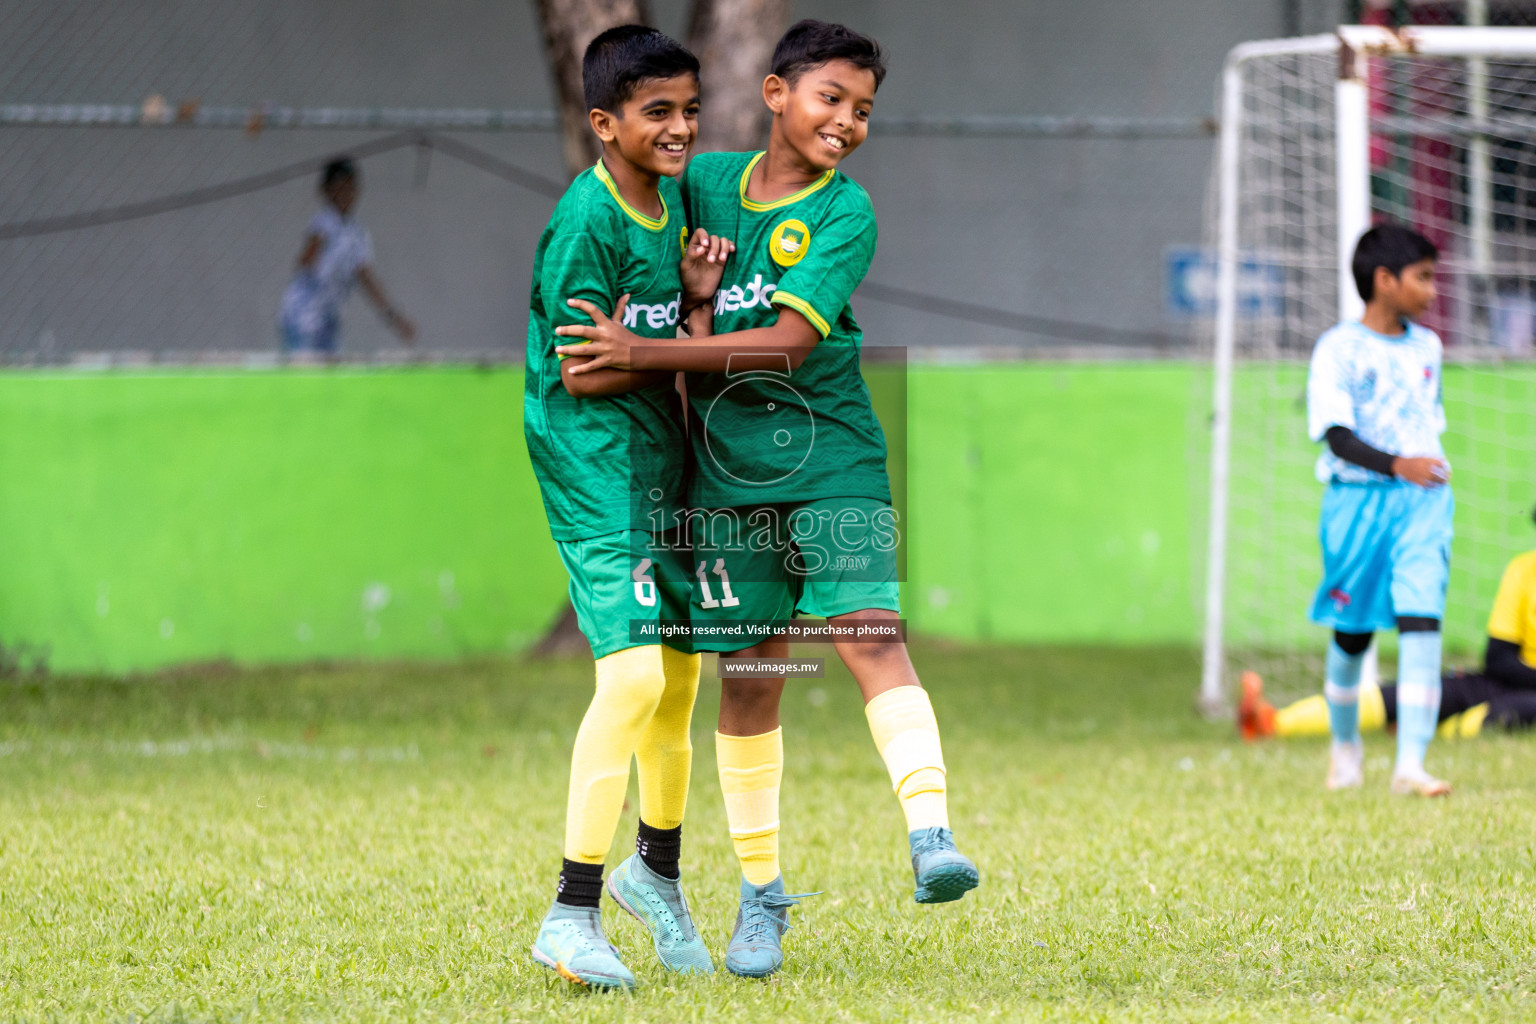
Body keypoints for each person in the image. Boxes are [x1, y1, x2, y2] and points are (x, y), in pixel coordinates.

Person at [555, 19, 979, 979]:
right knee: (751, 679)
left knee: (870, 632)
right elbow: (655, 273)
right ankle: (761, 901)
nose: (849, 121)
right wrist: (681, 308)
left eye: (865, 109)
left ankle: (933, 838)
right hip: (724, 475)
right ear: (778, 93)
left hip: (830, 455)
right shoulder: (701, 183)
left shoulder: (846, 214)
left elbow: (787, 345)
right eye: (832, 97)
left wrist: (646, 353)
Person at [523, 26, 734, 990]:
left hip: (663, 452)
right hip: (594, 461)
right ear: (604, 124)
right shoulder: (586, 222)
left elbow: (662, 345)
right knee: (636, 679)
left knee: (685, 674)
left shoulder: (680, 201)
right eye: (658, 113)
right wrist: (646, 360)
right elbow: (578, 368)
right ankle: (571, 913)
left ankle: (656, 874)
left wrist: (690, 306)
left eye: (690, 109)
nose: (681, 128)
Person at [1304, 223, 1453, 797]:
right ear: (1384, 281)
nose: (1433, 290)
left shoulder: (1428, 348)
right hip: (1358, 506)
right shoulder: (1338, 349)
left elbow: (1425, 424)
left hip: (1422, 505)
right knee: (1353, 635)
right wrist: (1399, 465)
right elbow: (1337, 438)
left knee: (1423, 623)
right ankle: (1345, 747)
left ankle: (1410, 766)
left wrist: (1422, 470)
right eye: (1423, 278)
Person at [1241, 521, 1536, 740]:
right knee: (1416, 690)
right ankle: (1276, 722)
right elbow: (1499, 657)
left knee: (1518, 709)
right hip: (1512, 678)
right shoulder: (1524, 569)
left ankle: (1438, 729)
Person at [278, 157, 416, 359]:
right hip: (301, 318)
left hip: (327, 319)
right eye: (338, 188)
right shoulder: (324, 223)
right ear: (326, 191)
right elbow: (304, 263)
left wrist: (394, 317)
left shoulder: (357, 233)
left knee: (332, 376)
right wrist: (317, 259)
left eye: (350, 188)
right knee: (304, 376)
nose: (345, 194)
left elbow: (367, 278)